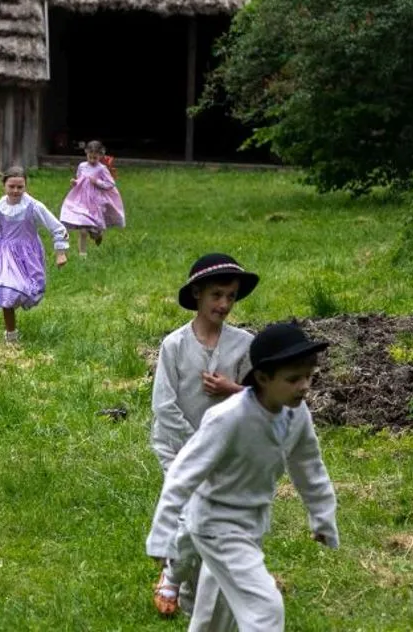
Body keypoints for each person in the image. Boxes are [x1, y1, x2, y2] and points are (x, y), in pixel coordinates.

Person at [147, 321, 339, 632]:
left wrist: (322, 516)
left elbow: (309, 466)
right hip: (217, 525)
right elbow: (182, 475)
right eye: (293, 379)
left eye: (308, 377)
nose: (304, 386)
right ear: (262, 378)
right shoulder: (229, 417)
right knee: (265, 608)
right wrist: (162, 536)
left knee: (217, 613)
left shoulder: (296, 414)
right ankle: (174, 574)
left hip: (250, 524)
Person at [150, 253, 258, 617]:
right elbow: (164, 405)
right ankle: (173, 576)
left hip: (225, 449)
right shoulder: (175, 345)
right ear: (197, 294)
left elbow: (263, 399)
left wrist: (232, 388)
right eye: (216, 295)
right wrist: (196, 446)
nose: (224, 304)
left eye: (231, 296)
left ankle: (192, 580)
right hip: (176, 444)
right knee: (190, 511)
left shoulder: (244, 345)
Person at [0, 167, 68, 344]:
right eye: (11, 186)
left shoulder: (33, 206)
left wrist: (60, 252)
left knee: (30, 290)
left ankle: (18, 305)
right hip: (5, 255)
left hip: (28, 255)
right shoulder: (0, 207)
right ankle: (11, 336)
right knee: (6, 290)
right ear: (3, 185)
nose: (15, 191)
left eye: (19, 187)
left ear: (25, 186)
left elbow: (57, 227)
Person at [58, 140, 125, 254]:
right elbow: (80, 179)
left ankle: (97, 234)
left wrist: (97, 182)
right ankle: (82, 255)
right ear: (86, 153)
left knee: (93, 230)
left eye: (95, 158)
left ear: (100, 155)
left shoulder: (102, 169)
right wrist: (75, 182)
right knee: (83, 230)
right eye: (90, 157)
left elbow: (110, 183)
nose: (92, 160)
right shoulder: (82, 166)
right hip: (81, 200)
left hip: (95, 202)